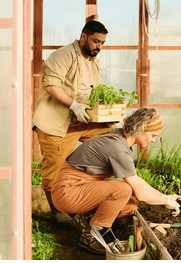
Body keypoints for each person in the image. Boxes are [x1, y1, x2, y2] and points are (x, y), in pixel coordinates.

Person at [49, 107, 181, 254]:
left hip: (77, 187)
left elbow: (137, 182)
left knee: (130, 204)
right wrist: (165, 201)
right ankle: (90, 235)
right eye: (153, 135)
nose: (153, 140)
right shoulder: (117, 147)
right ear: (141, 129)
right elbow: (140, 192)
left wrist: (164, 196)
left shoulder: (119, 137)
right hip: (67, 192)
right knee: (124, 190)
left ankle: (84, 220)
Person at [32, 20, 115, 223]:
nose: (99, 47)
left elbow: (94, 91)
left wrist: (104, 112)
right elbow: (52, 86)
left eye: (103, 43)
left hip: (83, 121)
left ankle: (98, 193)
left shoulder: (93, 61)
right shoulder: (63, 55)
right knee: (55, 166)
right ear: (84, 37)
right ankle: (57, 212)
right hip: (57, 124)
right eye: (96, 41)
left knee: (110, 141)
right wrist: (74, 106)